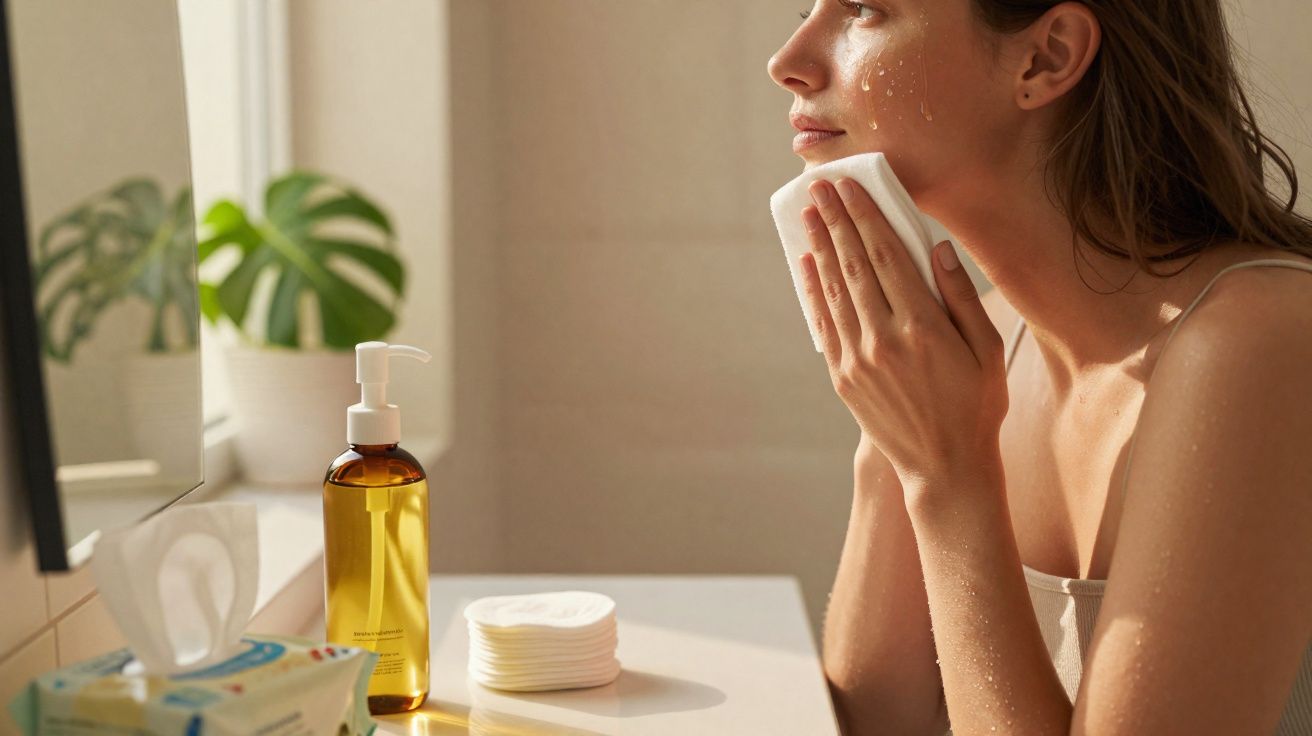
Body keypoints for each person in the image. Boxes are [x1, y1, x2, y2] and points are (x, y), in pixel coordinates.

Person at [767, 1, 1312, 733]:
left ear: (1046, 57)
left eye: (863, 9)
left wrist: (946, 474)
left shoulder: (1259, 342)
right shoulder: (982, 341)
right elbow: (878, 723)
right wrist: (891, 432)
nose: (789, 61)